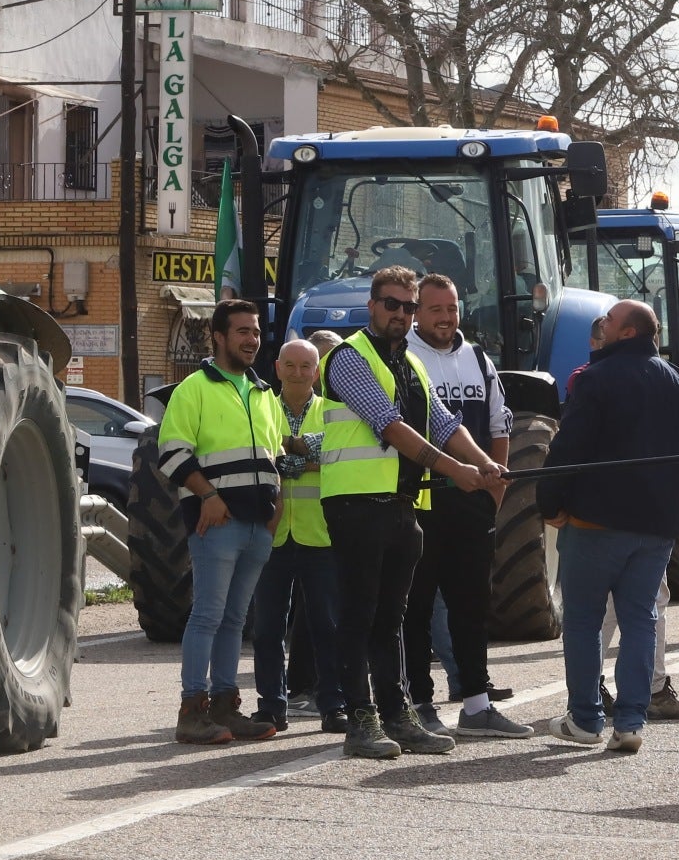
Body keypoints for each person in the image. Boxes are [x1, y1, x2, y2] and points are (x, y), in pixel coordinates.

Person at [320, 266, 510, 760]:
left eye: (408, 307)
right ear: (372, 306)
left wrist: (485, 462)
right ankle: (361, 722)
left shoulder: (412, 363)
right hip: (356, 504)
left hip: (403, 505)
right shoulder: (348, 359)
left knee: (392, 620)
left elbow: (446, 423)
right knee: (360, 617)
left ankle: (397, 714)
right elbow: (390, 425)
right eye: (392, 304)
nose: (401, 314)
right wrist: (457, 471)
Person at [539, 300, 679, 751]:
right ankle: (632, 722)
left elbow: (568, 448)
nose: (601, 324)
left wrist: (550, 504)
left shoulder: (596, 379)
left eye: (609, 320)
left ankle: (585, 720)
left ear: (626, 333)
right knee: (641, 618)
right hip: (656, 527)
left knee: (582, 620)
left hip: (594, 520)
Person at [403, 274, 533, 740]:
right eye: (435, 309)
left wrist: (496, 483)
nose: (444, 317)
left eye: (451, 308)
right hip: (420, 501)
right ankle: (418, 703)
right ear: (418, 311)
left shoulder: (479, 359)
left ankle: (477, 705)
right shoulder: (405, 358)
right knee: (415, 608)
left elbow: (501, 424)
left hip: (472, 504)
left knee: (471, 605)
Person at [159, 298, 285, 746]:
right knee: (208, 616)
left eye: (256, 332)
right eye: (242, 332)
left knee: (234, 620)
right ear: (218, 336)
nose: (252, 340)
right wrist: (208, 495)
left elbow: (277, 461)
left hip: (257, 526)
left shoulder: (264, 393)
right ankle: (192, 711)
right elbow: (172, 454)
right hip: (216, 523)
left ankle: (224, 707)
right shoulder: (193, 388)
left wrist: (273, 520)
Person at [250, 338, 346, 737]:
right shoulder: (260, 407)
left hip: (319, 535)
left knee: (328, 626)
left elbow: (332, 454)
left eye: (306, 366)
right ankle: (272, 707)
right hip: (272, 534)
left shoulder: (333, 412)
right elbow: (261, 453)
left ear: (317, 371)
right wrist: (306, 454)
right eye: (290, 365)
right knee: (267, 628)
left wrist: (290, 453)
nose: (297, 373)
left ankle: (334, 705)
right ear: (277, 367)